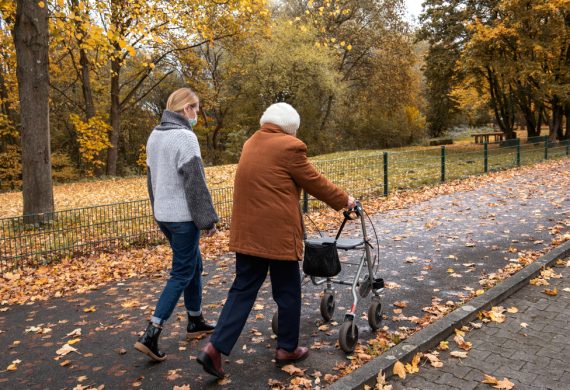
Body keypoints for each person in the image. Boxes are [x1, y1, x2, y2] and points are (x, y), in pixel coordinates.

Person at [197, 102, 355, 378]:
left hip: (248, 234)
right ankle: (287, 348)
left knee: (242, 290)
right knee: (288, 291)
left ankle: (215, 348)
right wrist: (346, 201)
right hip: (277, 236)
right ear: (290, 128)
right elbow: (314, 181)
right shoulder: (289, 147)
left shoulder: (251, 143)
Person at [135, 87, 219, 362]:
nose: (197, 113)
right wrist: (207, 220)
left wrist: (157, 207)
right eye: (195, 108)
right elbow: (196, 184)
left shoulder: (155, 135)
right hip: (183, 219)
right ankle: (152, 332)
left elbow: (151, 180)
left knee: (194, 265)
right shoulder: (185, 137)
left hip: (164, 216)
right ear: (186, 109)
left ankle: (195, 320)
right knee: (181, 273)